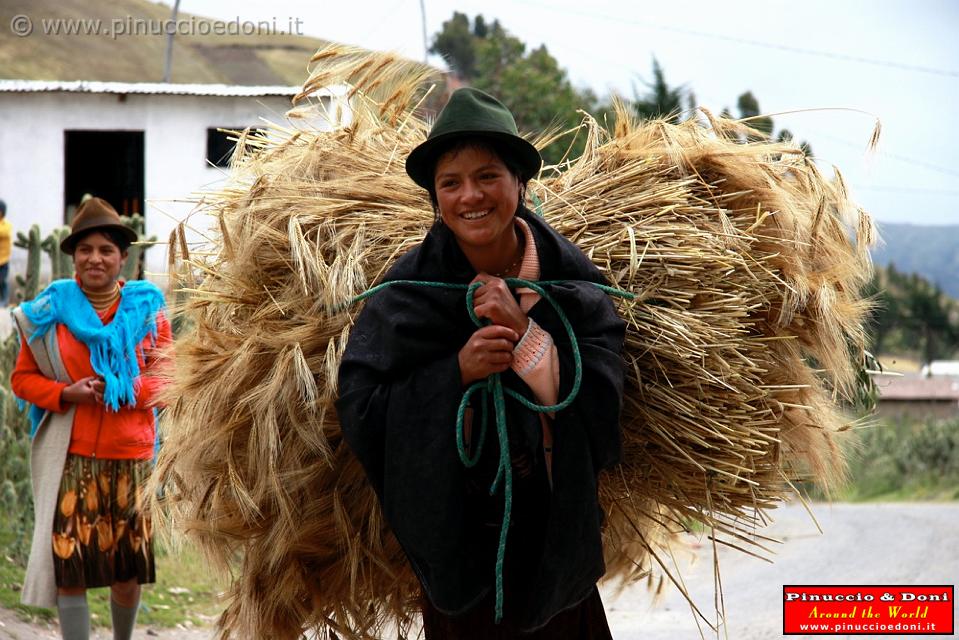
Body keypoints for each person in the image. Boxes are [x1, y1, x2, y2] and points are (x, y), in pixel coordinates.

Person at [336, 88, 627, 638]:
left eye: (488, 176)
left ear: (521, 183)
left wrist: (526, 337)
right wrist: (457, 375)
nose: (470, 196)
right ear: (436, 198)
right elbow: (363, 412)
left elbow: (604, 412)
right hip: (460, 546)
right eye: (451, 183)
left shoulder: (576, 286)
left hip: (554, 541)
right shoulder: (406, 295)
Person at [10, 197, 171, 640]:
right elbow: (22, 379)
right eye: (86, 249)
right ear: (74, 257)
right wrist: (67, 393)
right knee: (71, 569)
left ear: (123, 257)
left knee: (127, 573)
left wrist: (126, 390)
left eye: (106, 250)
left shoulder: (149, 308)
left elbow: (169, 377)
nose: (95, 258)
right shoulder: (48, 312)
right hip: (73, 457)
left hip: (132, 458)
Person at [0, 199, 12, 305]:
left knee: (2, 281)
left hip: (3, 260)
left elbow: (3, 232)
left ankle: (4, 301)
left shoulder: (6, 225)